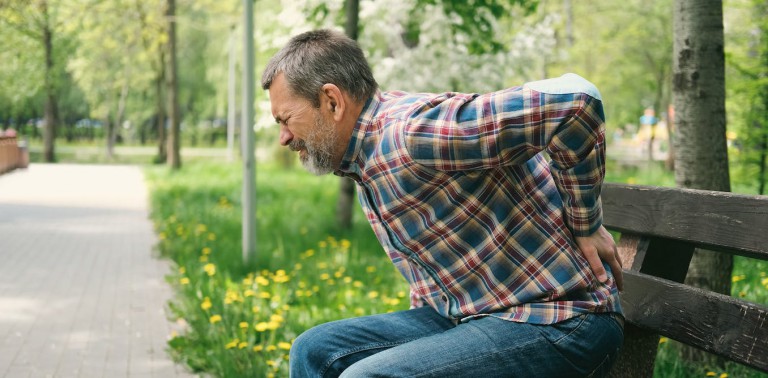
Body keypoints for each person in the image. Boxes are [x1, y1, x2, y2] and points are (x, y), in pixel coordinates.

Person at [262, 29, 624, 378]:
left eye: (286, 119)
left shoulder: (414, 132)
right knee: (313, 351)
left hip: (560, 319)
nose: (283, 137)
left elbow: (577, 100)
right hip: (469, 315)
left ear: (332, 101)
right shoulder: (362, 157)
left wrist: (586, 223)